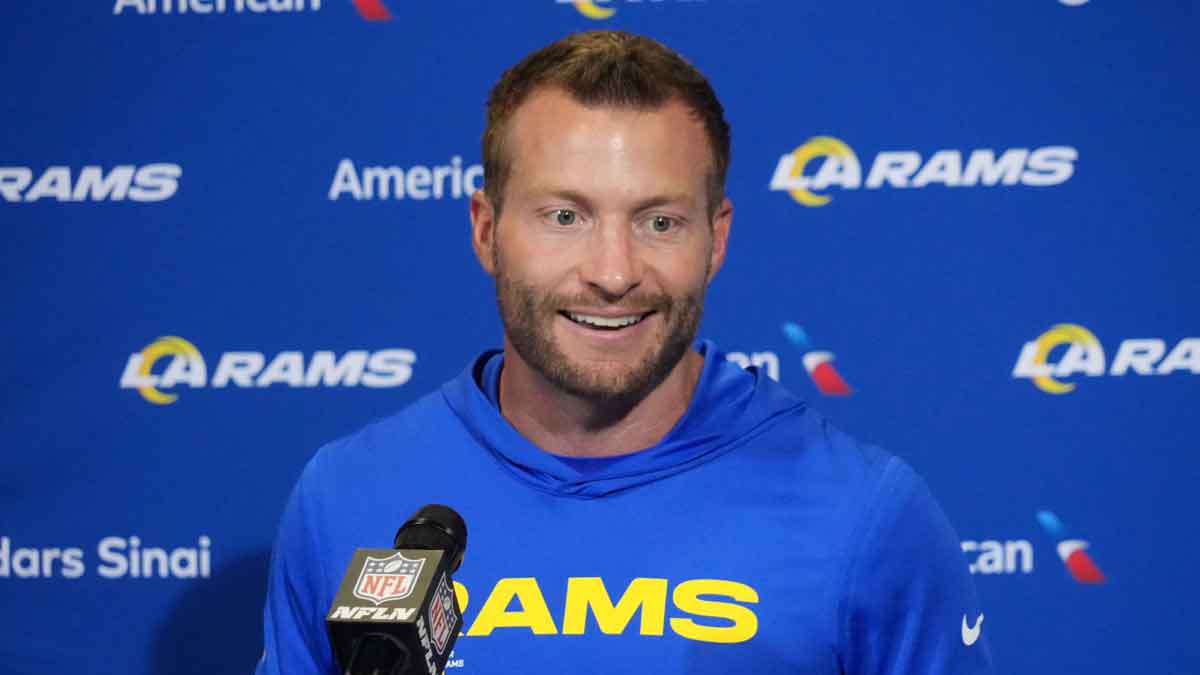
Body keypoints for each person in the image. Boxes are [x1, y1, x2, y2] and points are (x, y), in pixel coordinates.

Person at [257, 30, 993, 674]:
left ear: (718, 237)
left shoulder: (864, 516)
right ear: (486, 230)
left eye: (660, 222)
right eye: (566, 215)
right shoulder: (347, 493)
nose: (613, 272)